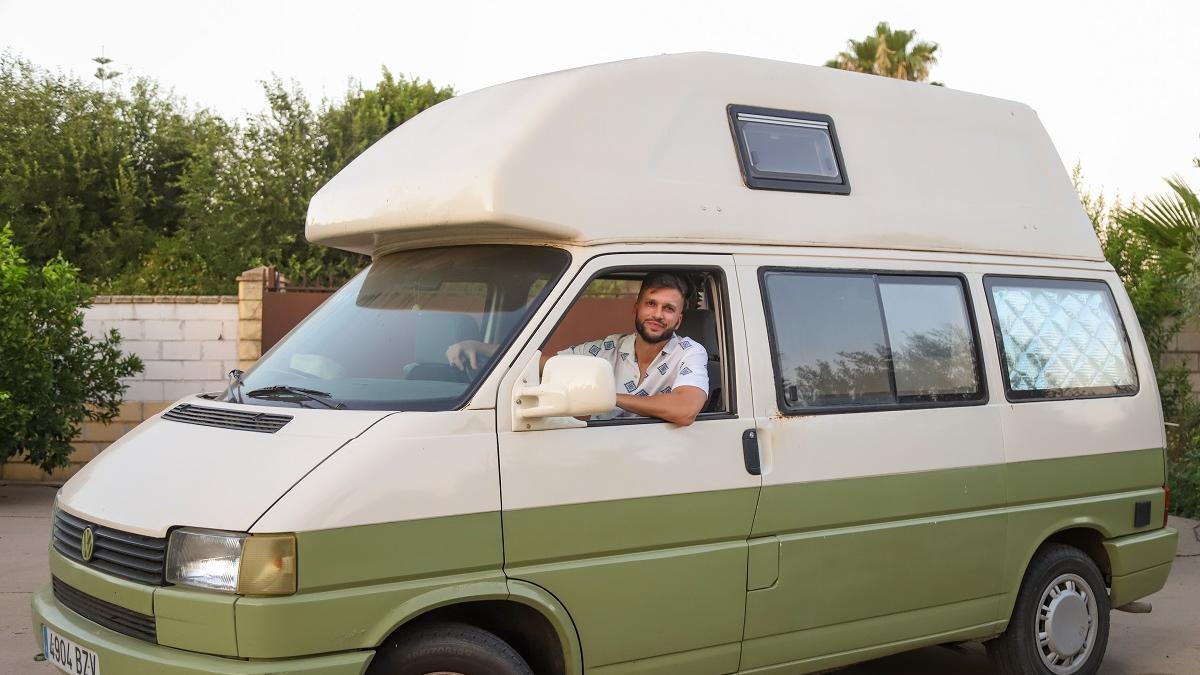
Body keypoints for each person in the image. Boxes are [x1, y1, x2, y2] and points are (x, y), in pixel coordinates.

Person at [446, 271, 709, 425]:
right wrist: (478, 346)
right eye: (651, 304)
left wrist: (606, 397)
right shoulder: (610, 346)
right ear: (636, 308)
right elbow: (546, 363)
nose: (658, 314)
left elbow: (685, 409)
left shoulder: (689, 352)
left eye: (668, 309)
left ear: (679, 320)